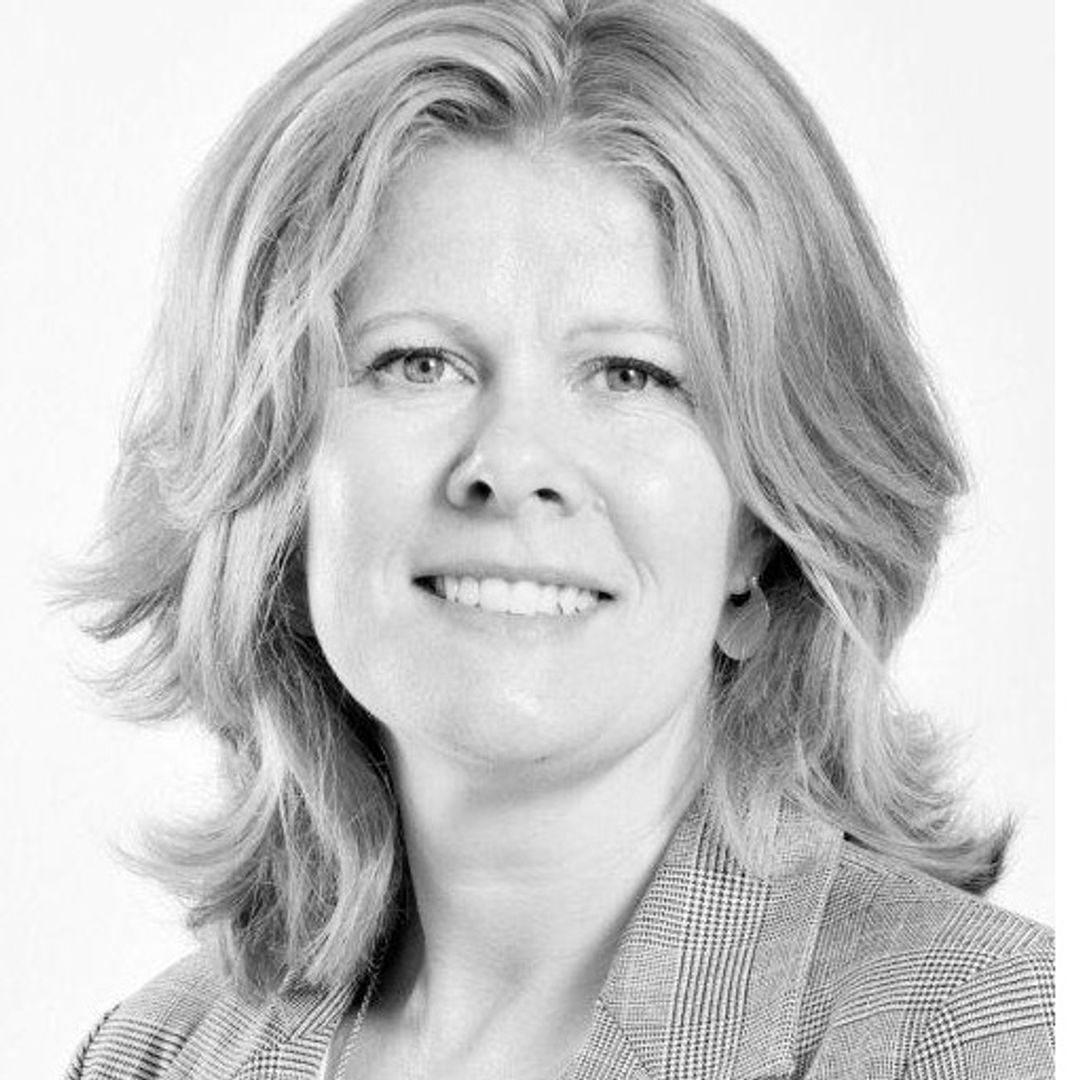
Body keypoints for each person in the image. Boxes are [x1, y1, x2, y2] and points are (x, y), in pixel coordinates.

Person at [63, 0, 1053, 1077]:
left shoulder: (974, 1032)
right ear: (271, 474)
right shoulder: (151, 1055)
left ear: (763, 531)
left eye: (631, 374)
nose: (512, 461)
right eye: (418, 363)